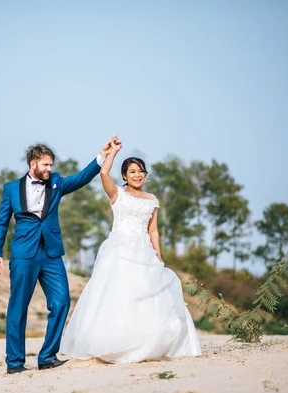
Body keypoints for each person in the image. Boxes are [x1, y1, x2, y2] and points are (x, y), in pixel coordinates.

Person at [60, 137, 201, 363]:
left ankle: (147, 344)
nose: (137, 175)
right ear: (124, 176)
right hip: (119, 250)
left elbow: (153, 230)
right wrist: (113, 152)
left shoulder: (152, 200)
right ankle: (113, 345)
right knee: (117, 295)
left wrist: (158, 253)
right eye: (132, 171)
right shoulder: (117, 194)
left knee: (146, 297)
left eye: (141, 171)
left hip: (144, 251)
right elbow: (104, 174)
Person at [0, 139, 114, 374]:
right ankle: (14, 363)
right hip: (23, 255)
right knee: (18, 308)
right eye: (46, 165)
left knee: (61, 301)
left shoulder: (56, 183)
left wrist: (102, 155)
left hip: (51, 254)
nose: (50, 169)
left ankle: (47, 356)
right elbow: (1, 224)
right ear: (33, 163)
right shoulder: (11, 189)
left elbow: (81, 178)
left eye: (51, 165)